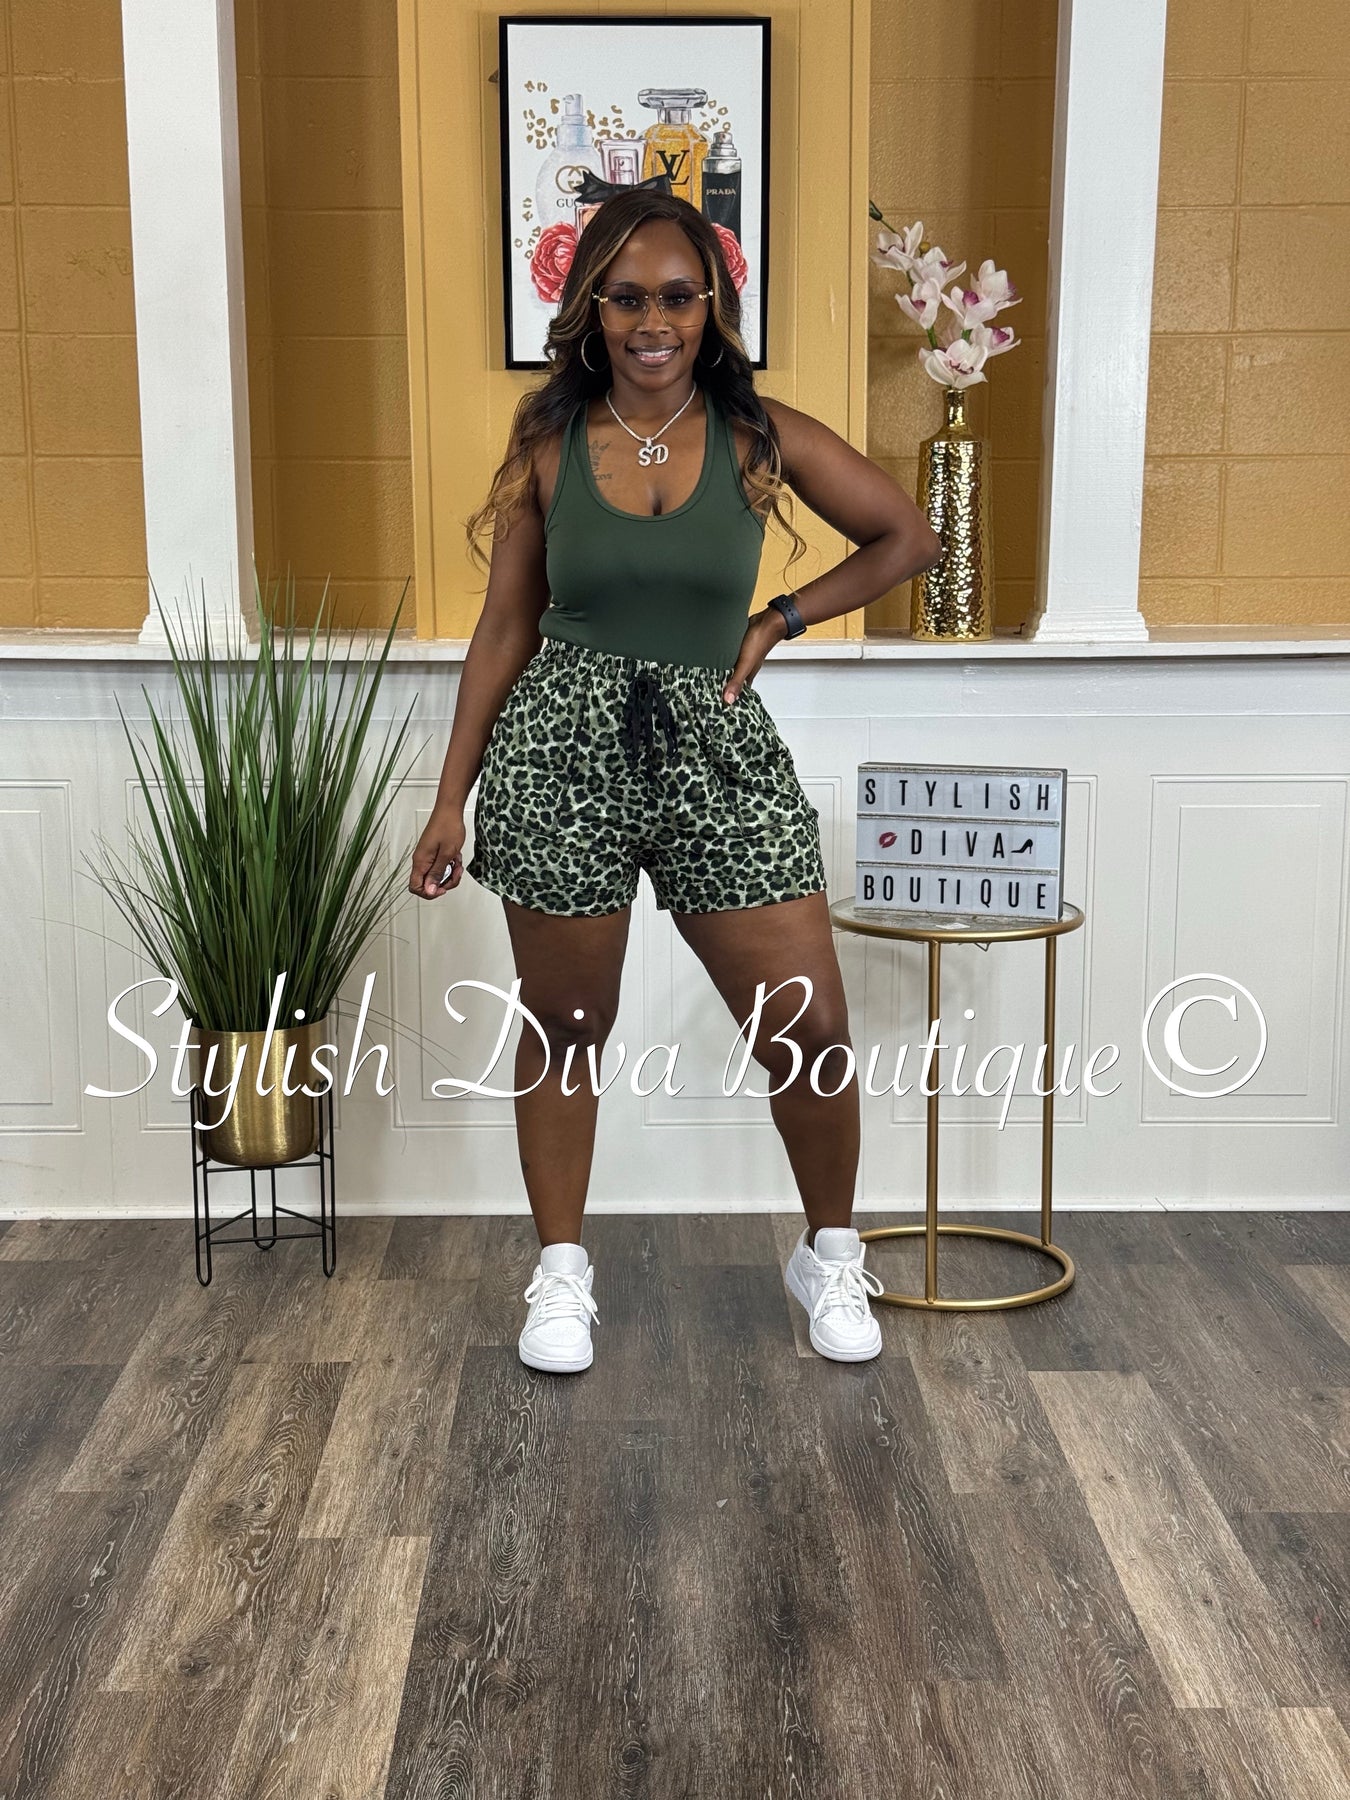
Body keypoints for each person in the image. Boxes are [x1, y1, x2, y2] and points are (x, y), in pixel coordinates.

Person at [409, 187, 942, 1374]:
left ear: (712, 308)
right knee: (567, 1025)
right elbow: (504, 628)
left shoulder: (760, 436)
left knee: (809, 1026)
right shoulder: (547, 446)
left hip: (718, 751)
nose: (654, 322)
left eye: (678, 297)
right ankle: (561, 1276)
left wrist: (780, 618)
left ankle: (831, 1253)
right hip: (561, 755)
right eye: (628, 298)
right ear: (591, 310)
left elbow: (908, 537)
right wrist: (451, 798)